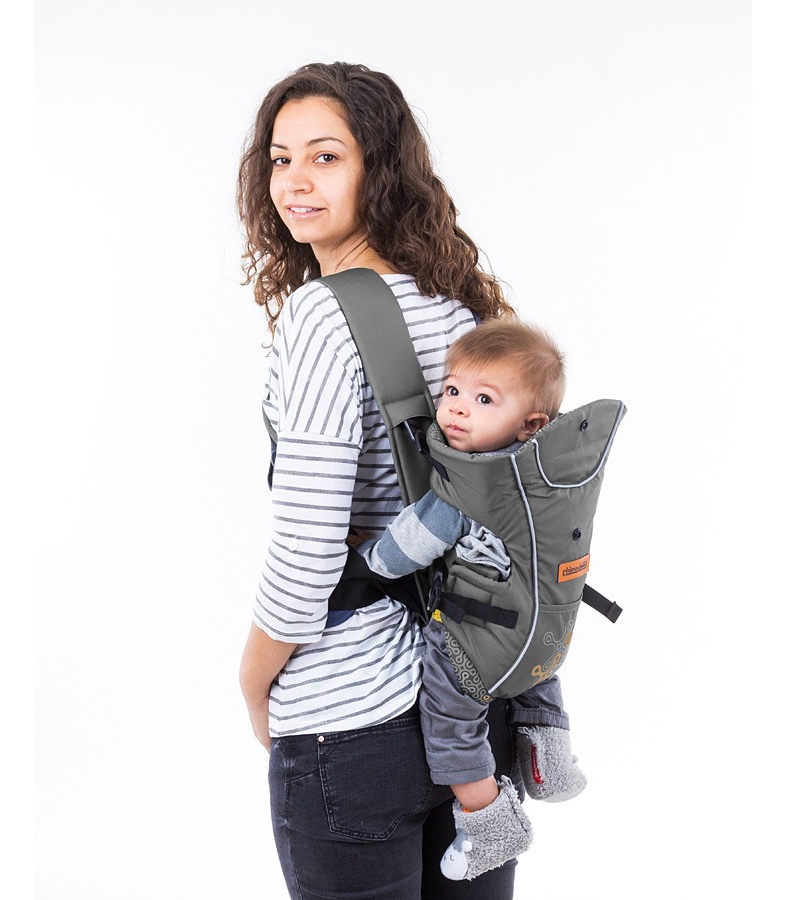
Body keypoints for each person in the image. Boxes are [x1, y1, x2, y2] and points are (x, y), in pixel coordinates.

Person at [236, 62, 523, 898]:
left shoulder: (321, 316)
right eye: (281, 159)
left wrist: (253, 684)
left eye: (325, 157)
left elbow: (308, 555)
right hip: (472, 709)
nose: (294, 182)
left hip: (352, 723)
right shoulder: (459, 307)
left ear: (380, 169)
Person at [347, 319, 587, 881]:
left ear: (531, 424)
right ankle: (551, 761)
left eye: (483, 399)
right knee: (534, 672)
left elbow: (403, 551)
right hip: (543, 632)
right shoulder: (547, 475)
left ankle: (491, 823)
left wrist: (362, 558)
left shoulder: (466, 485)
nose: (456, 408)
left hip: (476, 643)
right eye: (452, 389)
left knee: (449, 717)